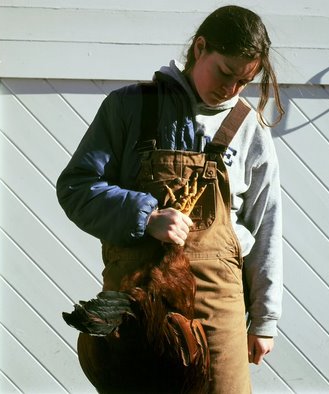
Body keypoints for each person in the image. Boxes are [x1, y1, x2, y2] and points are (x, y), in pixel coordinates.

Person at [57, 5, 284, 393]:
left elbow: (266, 226)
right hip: (136, 303)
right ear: (200, 48)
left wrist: (264, 320)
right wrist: (145, 216)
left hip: (218, 302)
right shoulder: (128, 107)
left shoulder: (249, 128)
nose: (230, 90)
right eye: (225, 72)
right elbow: (76, 188)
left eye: (243, 81)